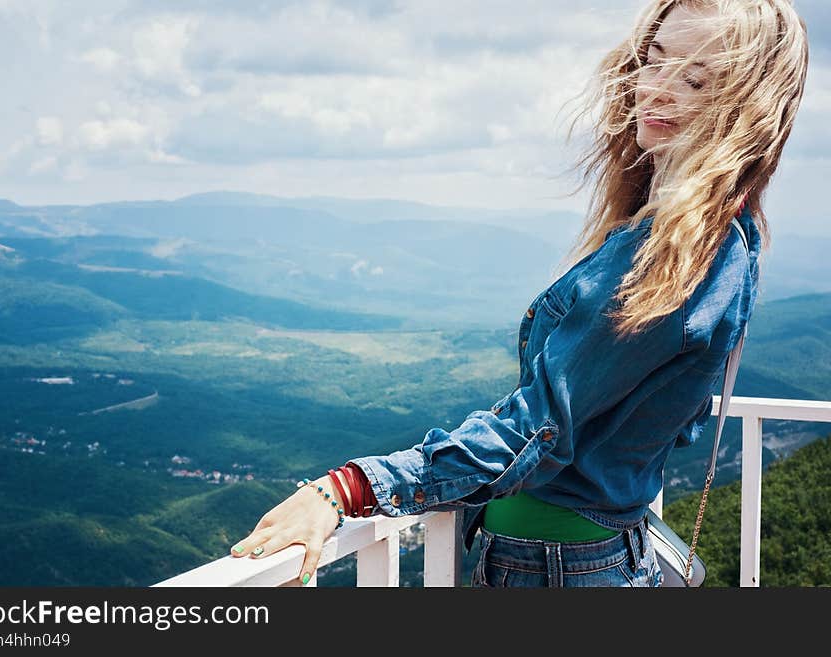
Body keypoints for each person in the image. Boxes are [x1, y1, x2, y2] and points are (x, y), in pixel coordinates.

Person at [229, 0, 809, 587]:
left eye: (696, 79)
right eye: (654, 62)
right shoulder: (730, 239)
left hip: (554, 569)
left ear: (745, 108)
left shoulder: (670, 260)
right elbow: (670, 413)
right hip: (585, 556)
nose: (658, 90)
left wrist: (344, 491)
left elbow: (532, 432)